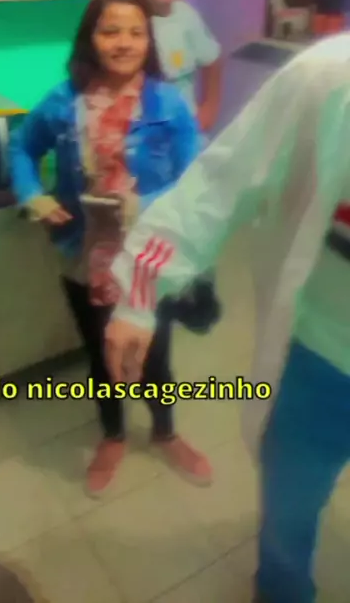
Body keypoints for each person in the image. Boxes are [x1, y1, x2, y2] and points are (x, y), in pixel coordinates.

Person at [105, 34, 350, 603]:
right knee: (289, 517)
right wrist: (141, 289)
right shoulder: (328, 78)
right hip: (321, 360)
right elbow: (219, 184)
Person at [9, 0, 213, 496]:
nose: (123, 42)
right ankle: (114, 436)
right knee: (101, 353)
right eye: (110, 31)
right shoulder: (64, 101)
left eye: (136, 32)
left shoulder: (168, 103)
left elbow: (195, 180)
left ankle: (165, 432)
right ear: (91, 38)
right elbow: (21, 148)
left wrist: (143, 203)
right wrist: (33, 195)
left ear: (149, 40)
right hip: (83, 253)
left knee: (155, 352)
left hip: (148, 253)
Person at [139, 0, 222, 135]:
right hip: (144, 134)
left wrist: (209, 109)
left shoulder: (188, 16)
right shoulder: (132, 18)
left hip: (185, 130)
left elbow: (213, 60)